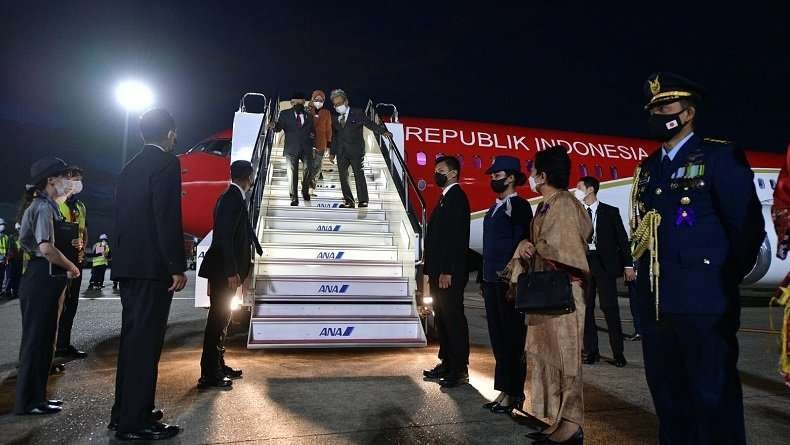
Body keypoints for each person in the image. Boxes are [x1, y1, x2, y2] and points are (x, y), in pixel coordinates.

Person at [631, 72, 764, 444]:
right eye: (653, 107)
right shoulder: (647, 169)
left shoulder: (719, 156)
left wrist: (718, 282)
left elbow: (747, 229)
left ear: (688, 113)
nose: (657, 113)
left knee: (713, 401)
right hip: (658, 307)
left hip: (706, 305)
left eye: (665, 106)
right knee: (669, 402)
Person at [109, 108, 186, 441]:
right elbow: (165, 217)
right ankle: (134, 422)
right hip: (153, 269)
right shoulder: (167, 163)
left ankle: (125, 411)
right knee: (146, 345)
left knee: (132, 342)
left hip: (129, 266)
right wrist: (176, 265)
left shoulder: (129, 167)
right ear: (170, 134)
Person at [506, 145, 591, 444]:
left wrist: (530, 247)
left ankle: (572, 425)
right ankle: (558, 420)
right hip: (548, 295)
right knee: (550, 359)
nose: (529, 176)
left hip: (564, 295)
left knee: (567, 362)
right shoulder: (547, 204)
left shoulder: (564, 204)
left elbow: (566, 248)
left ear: (542, 175)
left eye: (532, 171)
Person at [14, 157, 81, 415]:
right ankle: (28, 401)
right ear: (51, 179)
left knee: (45, 342)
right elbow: (47, 249)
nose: (68, 181)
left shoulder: (49, 206)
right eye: (63, 175)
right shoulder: (42, 207)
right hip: (42, 276)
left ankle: (38, 398)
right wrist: (72, 267)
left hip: (47, 277)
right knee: (36, 342)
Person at [197, 160, 262, 389]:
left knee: (222, 320)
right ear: (249, 176)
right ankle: (209, 374)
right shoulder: (232, 199)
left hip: (225, 272)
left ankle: (217, 365)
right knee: (217, 321)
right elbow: (224, 238)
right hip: (224, 273)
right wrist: (232, 271)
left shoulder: (233, 197)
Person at [479, 156, 532, 413]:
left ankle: (514, 393)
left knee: (512, 339)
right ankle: (503, 389)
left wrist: (514, 277)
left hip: (508, 283)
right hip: (491, 281)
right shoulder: (494, 208)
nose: (493, 179)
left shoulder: (518, 205)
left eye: (498, 175)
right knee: (498, 339)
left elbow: (523, 243)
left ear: (511, 177)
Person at [421, 156, 471, 388]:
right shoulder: (445, 199)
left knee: (453, 319)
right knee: (441, 318)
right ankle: (447, 362)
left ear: (452, 173)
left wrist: (447, 271)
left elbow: (456, 239)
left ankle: (459, 369)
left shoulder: (457, 198)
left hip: (448, 274)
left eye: (440, 170)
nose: (436, 174)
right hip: (439, 272)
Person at [574, 176, 631, 367]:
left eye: (580, 187)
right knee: (587, 308)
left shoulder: (610, 212)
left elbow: (622, 240)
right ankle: (591, 351)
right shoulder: (577, 213)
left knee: (610, 309)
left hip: (605, 265)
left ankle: (618, 353)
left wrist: (628, 265)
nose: (577, 190)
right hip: (585, 263)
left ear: (590, 190)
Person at [329, 89, 392, 208]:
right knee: (343, 177)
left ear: (346, 101)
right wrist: (332, 152)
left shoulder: (357, 113)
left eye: (340, 103)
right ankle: (349, 201)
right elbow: (334, 136)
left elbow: (369, 124)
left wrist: (383, 131)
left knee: (359, 174)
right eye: (335, 104)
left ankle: (363, 200)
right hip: (341, 151)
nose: (338, 106)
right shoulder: (335, 119)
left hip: (356, 150)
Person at [55, 166, 88, 359]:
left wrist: (82, 244)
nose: (78, 183)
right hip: (59, 263)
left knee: (71, 305)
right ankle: (50, 347)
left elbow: (84, 230)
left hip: (77, 261)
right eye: (75, 178)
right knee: (55, 307)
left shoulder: (80, 206)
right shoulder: (56, 203)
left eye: (80, 179)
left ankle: (63, 345)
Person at [272, 92, 315, 206]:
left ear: (304, 102)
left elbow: (313, 131)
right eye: (295, 102)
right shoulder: (284, 114)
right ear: (292, 103)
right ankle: (294, 197)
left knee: (309, 169)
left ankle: (305, 190)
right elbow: (279, 127)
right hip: (291, 148)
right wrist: (273, 126)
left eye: (300, 102)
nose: (298, 104)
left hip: (306, 148)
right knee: (292, 173)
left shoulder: (309, 116)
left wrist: (313, 138)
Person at [306, 90, 333, 195]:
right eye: (316, 99)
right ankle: (306, 186)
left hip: (321, 143)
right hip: (308, 143)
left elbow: (328, 129)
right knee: (308, 166)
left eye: (321, 100)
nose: (319, 101)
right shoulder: (307, 110)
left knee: (317, 166)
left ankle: (311, 187)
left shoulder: (326, 113)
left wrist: (329, 145)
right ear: (313, 99)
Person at [2, 222, 24, 300]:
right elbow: (11, 249)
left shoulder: (21, 236)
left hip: (19, 260)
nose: (19, 230)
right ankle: (8, 292)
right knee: (11, 277)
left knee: (17, 277)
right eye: (18, 228)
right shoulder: (12, 237)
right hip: (13, 260)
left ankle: (15, 292)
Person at [0, 218, 9, 294]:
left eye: (4, 225)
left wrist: (6, 259)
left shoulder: (6, 237)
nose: (3, 226)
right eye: (1, 225)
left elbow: (7, 250)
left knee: (1, 278)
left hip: (3, 261)